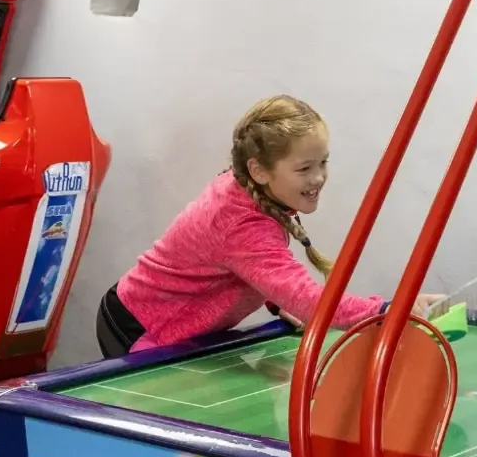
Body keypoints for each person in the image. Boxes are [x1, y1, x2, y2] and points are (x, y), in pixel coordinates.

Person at [97, 95, 440, 360]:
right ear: (259, 170)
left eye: (323, 162)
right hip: (143, 326)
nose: (318, 177)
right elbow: (304, 297)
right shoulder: (239, 222)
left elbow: (244, 267)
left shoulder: (248, 188)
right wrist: (386, 311)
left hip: (159, 320)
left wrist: (276, 301)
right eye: (304, 168)